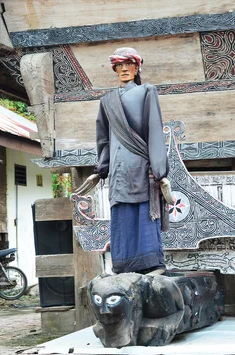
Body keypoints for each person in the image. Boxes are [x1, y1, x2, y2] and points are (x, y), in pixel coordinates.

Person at [76, 47, 172, 274]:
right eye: (120, 66)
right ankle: (123, 264)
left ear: (137, 67)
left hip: (142, 166)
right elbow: (104, 139)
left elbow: (154, 130)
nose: (124, 69)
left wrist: (160, 172)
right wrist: (101, 170)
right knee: (122, 216)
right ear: (115, 69)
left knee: (144, 214)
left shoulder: (147, 91)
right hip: (118, 171)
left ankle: (152, 263)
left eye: (129, 65)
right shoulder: (107, 101)